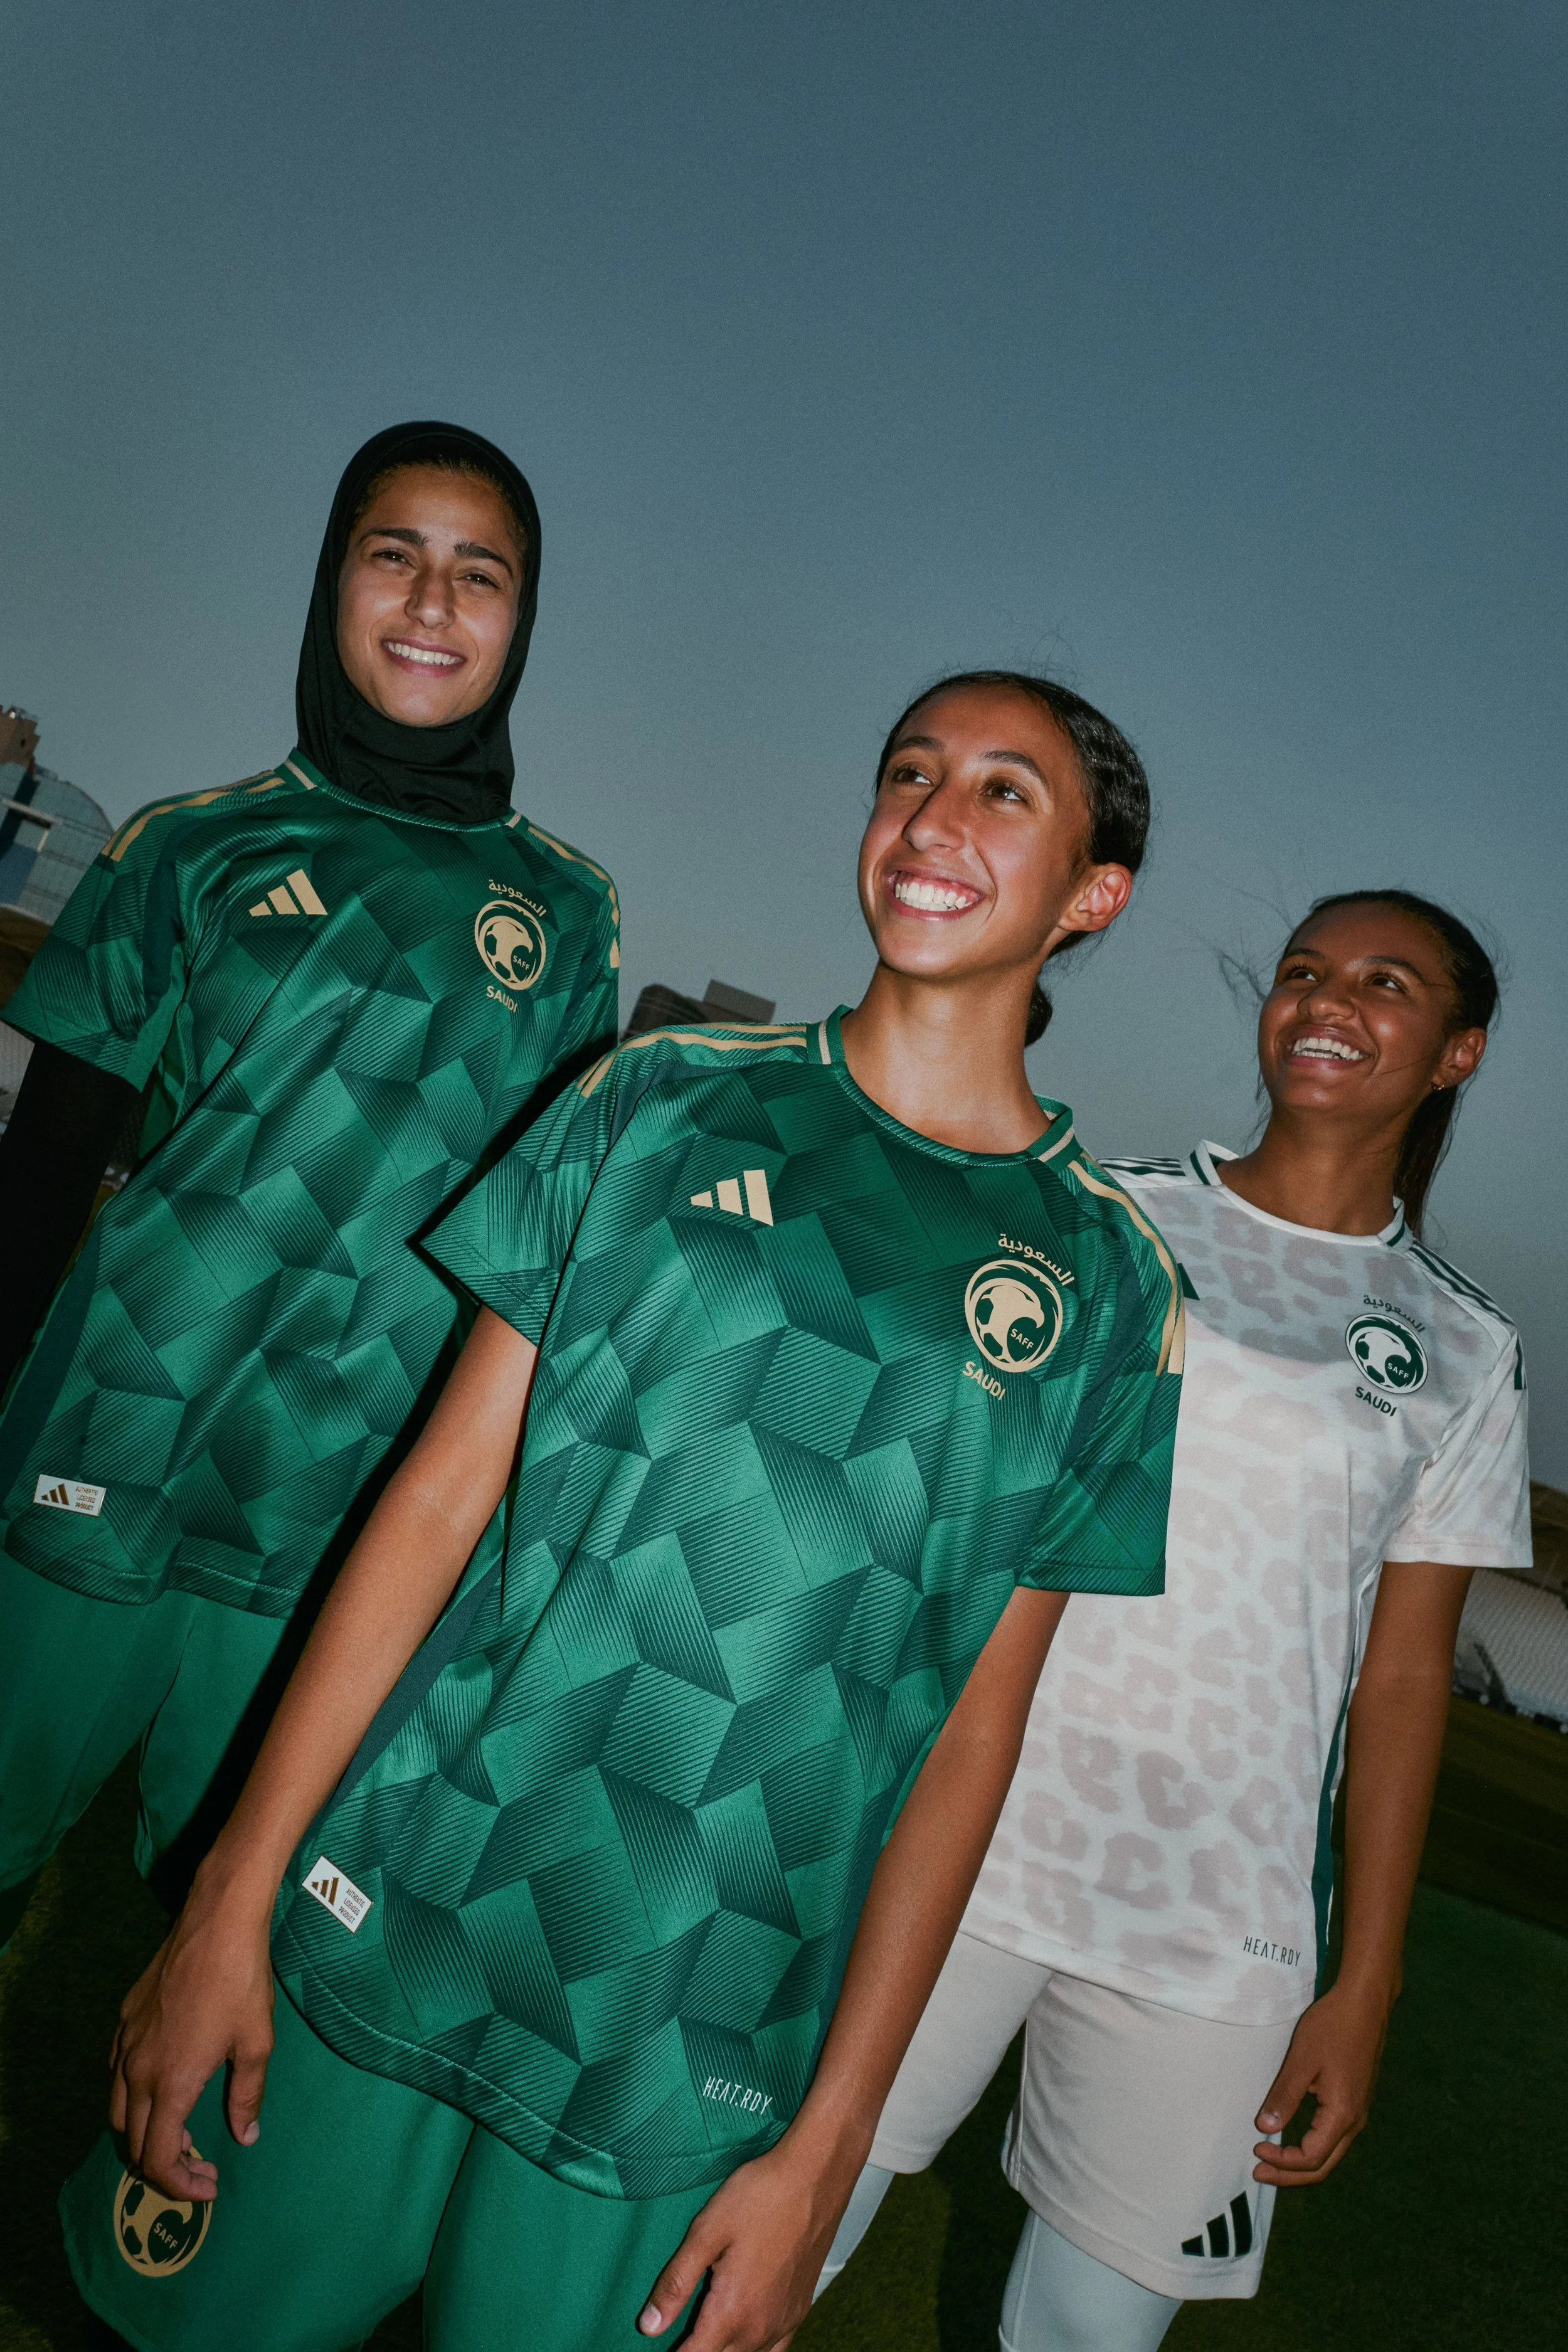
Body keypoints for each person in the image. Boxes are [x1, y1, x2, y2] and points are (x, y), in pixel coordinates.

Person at [66, 671, 1185, 2351]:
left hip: (690, 2040)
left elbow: (969, 1740)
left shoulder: (1106, 1280)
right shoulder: (656, 1095)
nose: (931, 816)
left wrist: (821, 2151)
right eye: (907, 770)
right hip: (394, 1911)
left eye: (1003, 791)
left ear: (1092, 894)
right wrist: (231, 1895)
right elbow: (436, 1499)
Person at [817, 888, 1530, 2348]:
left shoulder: (1463, 1349)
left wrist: (1366, 1979)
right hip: (966, 1835)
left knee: (1088, 2334)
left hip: (1220, 1921)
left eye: (1384, 985)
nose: (1328, 1002)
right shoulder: (1107, 1218)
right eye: (1303, 971)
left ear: (1455, 1051)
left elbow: (1399, 1684)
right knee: (783, 2235)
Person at [0, 423, 621, 1946]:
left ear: (521, 622)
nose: (431, 601)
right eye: (391, 553)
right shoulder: (188, 847)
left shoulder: (569, 909)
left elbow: (530, 1270)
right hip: (112, 1443)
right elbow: (40, 1181)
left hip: (343, 1515)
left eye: (480, 575)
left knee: (214, 1943)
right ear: (332, 580)